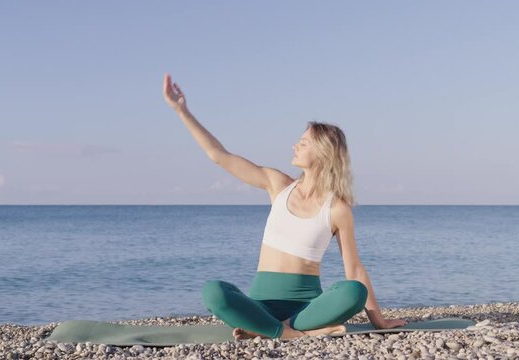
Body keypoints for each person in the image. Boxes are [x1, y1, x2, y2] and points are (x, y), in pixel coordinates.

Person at [162, 73, 409, 341]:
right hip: (261, 303)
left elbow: (355, 269)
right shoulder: (277, 184)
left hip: (306, 308)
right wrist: (181, 111)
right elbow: (219, 156)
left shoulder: (337, 209)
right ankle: (293, 333)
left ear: (323, 153)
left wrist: (379, 322)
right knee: (214, 292)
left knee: (354, 292)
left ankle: (273, 328)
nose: (295, 145)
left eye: (303, 143)